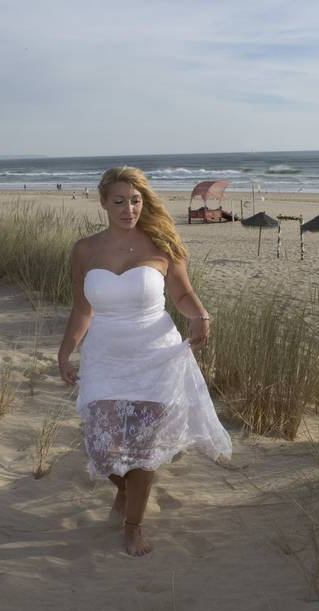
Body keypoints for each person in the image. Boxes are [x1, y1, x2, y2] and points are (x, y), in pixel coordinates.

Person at [58, 166, 231, 556]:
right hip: (104, 355)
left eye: (135, 201)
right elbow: (82, 308)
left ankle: (133, 524)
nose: (128, 209)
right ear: (103, 202)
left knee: (142, 448)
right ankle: (125, 489)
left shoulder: (161, 245)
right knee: (104, 446)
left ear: (143, 202)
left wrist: (199, 316)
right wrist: (66, 349)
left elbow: (183, 294)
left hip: (154, 355)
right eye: (119, 201)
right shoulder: (84, 250)